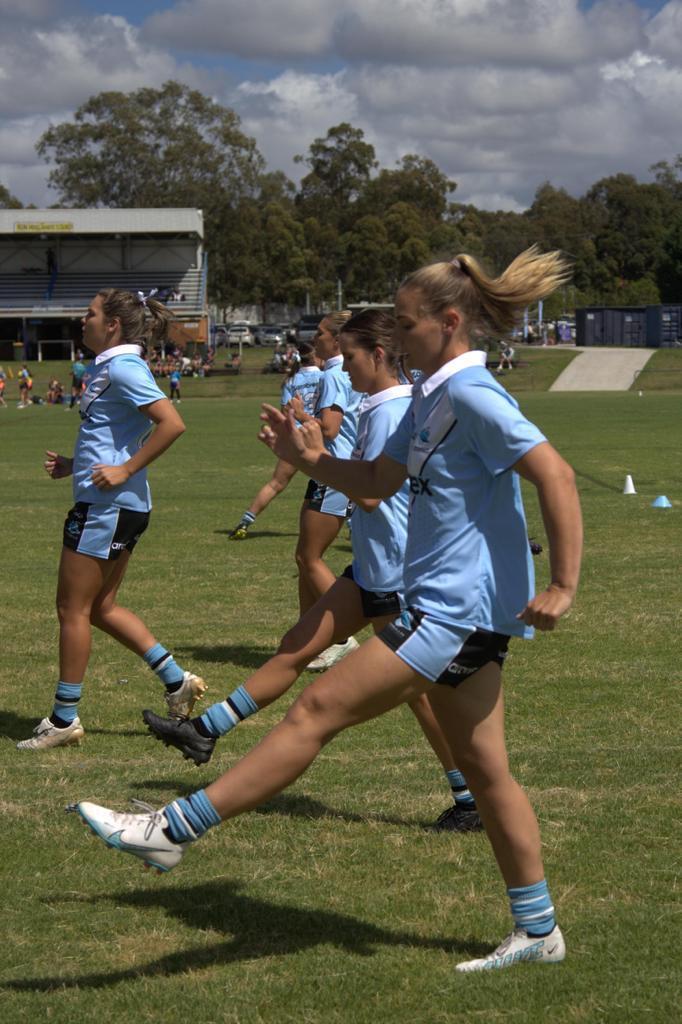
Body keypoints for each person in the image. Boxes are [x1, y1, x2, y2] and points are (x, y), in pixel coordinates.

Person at [73, 247, 582, 974]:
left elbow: (555, 473)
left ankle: (171, 829)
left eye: (406, 323)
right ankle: (538, 930)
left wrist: (562, 583)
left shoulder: (471, 393)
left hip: (456, 613)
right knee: (487, 772)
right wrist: (308, 458)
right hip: (454, 609)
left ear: (447, 322)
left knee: (316, 710)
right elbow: (376, 479)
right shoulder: (431, 396)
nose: (395, 336)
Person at [145, 310, 480, 831]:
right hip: (370, 568)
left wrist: (311, 458)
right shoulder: (379, 406)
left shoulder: (391, 411)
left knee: (422, 697)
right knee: (296, 645)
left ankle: (469, 798)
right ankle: (204, 731)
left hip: (394, 575)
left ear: (378, 355)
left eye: (350, 356)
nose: (342, 367)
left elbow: (371, 496)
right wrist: (311, 451)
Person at [17, 288, 206, 752]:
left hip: (107, 507)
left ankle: (63, 719)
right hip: (115, 505)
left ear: (113, 325)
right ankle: (176, 681)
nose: (82, 321)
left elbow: (171, 423)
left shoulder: (122, 367)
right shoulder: (110, 367)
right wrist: (74, 465)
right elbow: (113, 435)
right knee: (100, 607)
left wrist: (124, 470)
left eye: (90, 314)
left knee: (72, 610)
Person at [292, 311, 363, 670]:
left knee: (310, 558)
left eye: (320, 333)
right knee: (305, 557)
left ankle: (341, 636)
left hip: (334, 470)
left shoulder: (334, 374)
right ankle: (309, 638)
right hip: (334, 471)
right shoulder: (345, 372)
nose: (314, 339)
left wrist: (300, 415)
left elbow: (331, 428)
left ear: (336, 340)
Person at [228, 342, 321, 540]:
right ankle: (352, 526)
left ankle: (244, 523)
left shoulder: (290, 380)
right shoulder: (325, 376)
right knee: (338, 483)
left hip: (296, 436)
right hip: (317, 436)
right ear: (316, 357)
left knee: (276, 484)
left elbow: (285, 412)